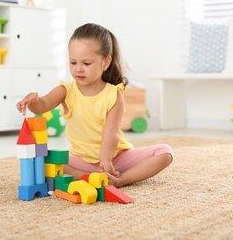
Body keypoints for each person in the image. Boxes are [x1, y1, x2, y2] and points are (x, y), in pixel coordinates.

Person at [16, 23, 173, 187]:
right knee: (41, 160)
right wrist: (31, 101)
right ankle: (91, 177)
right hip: (81, 160)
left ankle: (121, 180)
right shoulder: (65, 90)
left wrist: (106, 160)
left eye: (86, 63)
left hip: (115, 158)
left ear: (105, 63)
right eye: (73, 62)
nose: (79, 69)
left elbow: (111, 132)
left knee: (165, 152)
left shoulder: (114, 95)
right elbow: (42, 105)